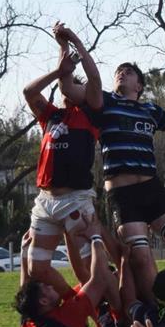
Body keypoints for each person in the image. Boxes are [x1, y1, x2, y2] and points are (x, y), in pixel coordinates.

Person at [59, 55, 165, 295]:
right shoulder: (102, 101)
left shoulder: (150, 110)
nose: (121, 73)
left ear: (139, 86)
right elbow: (68, 90)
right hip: (123, 195)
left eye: (128, 71)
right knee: (140, 255)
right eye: (118, 71)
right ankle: (159, 312)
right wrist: (65, 66)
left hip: (152, 188)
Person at [22, 24, 102, 297]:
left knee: (90, 268)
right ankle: (74, 303)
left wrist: (72, 43)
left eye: (73, 85)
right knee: (37, 268)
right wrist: (60, 63)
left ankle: (107, 310)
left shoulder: (90, 115)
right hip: (45, 201)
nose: (68, 87)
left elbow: (91, 80)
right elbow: (29, 92)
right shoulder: (51, 116)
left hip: (75, 199)